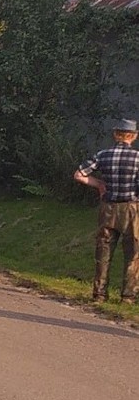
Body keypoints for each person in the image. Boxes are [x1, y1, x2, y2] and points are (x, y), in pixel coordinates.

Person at [74, 117, 139, 302]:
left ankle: (99, 294)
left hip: (108, 207)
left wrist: (99, 183)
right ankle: (128, 296)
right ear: (133, 136)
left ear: (115, 134)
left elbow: (79, 175)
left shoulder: (102, 155)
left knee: (104, 250)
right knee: (133, 253)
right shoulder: (137, 158)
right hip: (131, 208)